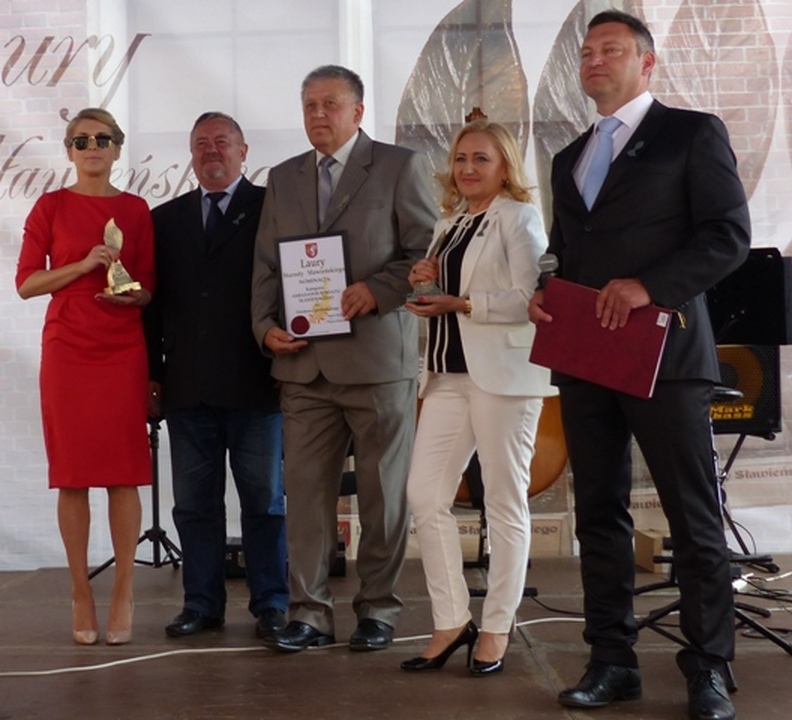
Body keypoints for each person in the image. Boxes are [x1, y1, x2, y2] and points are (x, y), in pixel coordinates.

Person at [528, 11, 750, 720]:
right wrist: (545, 289)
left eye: (611, 49)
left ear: (646, 63)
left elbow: (727, 236)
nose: (594, 60)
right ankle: (611, 660)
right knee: (599, 511)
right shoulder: (569, 157)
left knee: (692, 515)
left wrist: (649, 286)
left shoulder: (691, 133)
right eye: (586, 51)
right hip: (586, 356)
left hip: (667, 355)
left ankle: (708, 666)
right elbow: (564, 249)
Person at [251, 65, 436, 653]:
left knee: (383, 496)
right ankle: (309, 613)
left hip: (378, 361)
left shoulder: (400, 166)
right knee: (305, 496)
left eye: (330, 104)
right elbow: (266, 265)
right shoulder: (282, 177)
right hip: (303, 365)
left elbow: (425, 252)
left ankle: (379, 609)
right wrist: (264, 327)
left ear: (358, 111)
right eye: (309, 105)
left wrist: (378, 291)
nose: (318, 115)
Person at [399, 119, 552, 675]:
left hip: (504, 376)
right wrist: (424, 281)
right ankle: (451, 620)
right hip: (446, 375)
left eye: (481, 159)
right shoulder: (450, 221)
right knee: (424, 496)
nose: (467, 168)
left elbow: (531, 298)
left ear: (505, 167)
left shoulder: (518, 216)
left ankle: (496, 627)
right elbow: (443, 291)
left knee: (504, 502)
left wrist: (461, 303)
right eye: (461, 158)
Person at [144, 112, 288, 640]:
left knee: (264, 504)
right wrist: (151, 375)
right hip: (187, 388)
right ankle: (201, 604)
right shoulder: (164, 219)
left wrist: (292, 365)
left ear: (243, 151)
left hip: (257, 384)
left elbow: (291, 288)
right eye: (201, 143)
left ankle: (272, 604)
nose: (211, 150)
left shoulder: (273, 209)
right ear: (190, 153)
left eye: (222, 142)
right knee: (193, 507)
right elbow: (151, 306)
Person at [16, 107, 155, 646]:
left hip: (122, 345)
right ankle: (80, 590)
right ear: (69, 151)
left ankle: (124, 590)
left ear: (117, 148)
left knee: (124, 472)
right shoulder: (50, 205)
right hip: (68, 348)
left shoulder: (136, 209)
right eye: (81, 140)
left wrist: (132, 294)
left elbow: (148, 287)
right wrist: (83, 264)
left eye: (102, 139)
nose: (91, 147)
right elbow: (27, 283)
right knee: (72, 474)